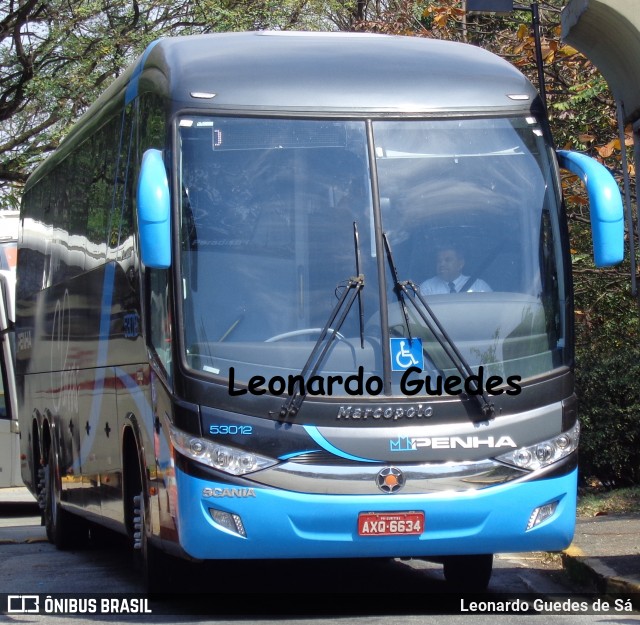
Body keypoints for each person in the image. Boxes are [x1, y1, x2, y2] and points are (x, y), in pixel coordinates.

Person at [419, 245, 491, 295]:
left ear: (460, 264)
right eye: (439, 261)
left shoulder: (478, 286)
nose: (442, 264)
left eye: (448, 260)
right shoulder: (427, 288)